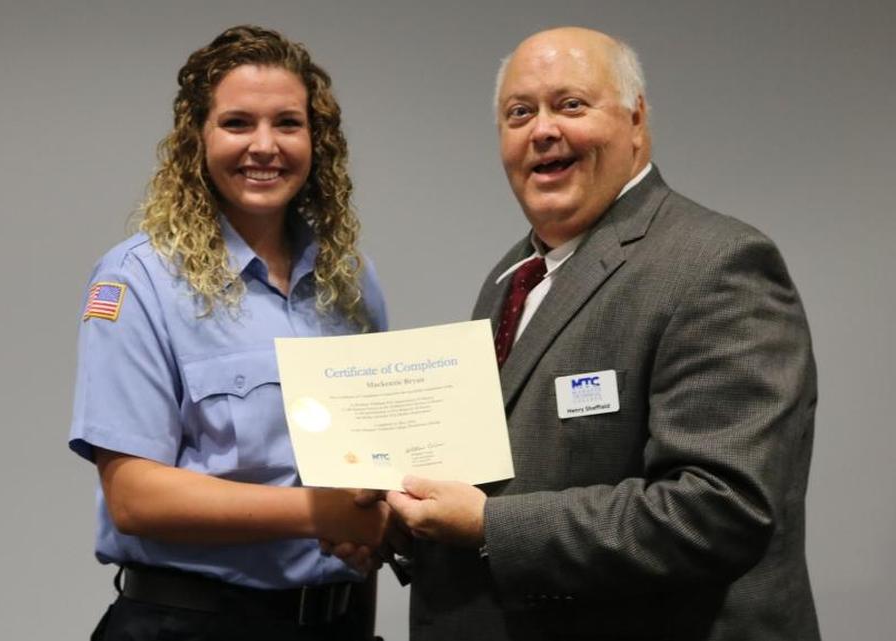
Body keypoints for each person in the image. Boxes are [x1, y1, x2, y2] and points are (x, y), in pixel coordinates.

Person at [377, 27, 819, 641]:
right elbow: (499, 473)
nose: (542, 130)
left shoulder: (717, 263)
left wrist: (489, 525)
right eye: (519, 113)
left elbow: (720, 510)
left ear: (637, 121)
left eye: (571, 105)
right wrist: (413, 514)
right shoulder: (512, 278)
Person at [68, 25, 390, 641]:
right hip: (192, 624)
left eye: (288, 124)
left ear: (317, 140)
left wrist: (376, 517)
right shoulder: (140, 280)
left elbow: (369, 455)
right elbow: (135, 497)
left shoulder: (349, 279)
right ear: (197, 139)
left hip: (337, 620)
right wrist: (321, 513)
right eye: (238, 123)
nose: (264, 146)